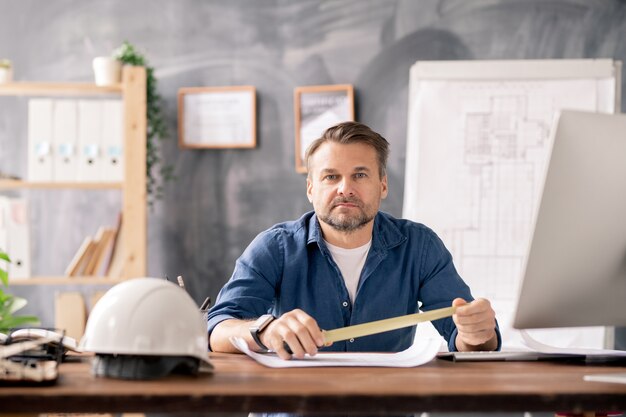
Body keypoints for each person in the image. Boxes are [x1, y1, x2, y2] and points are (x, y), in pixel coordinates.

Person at [207, 121, 500, 360]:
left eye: (359, 175)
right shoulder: (274, 248)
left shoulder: (419, 246)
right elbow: (217, 329)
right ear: (311, 188)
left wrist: (477, 334)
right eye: (331, 177)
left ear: (382, 185)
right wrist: (265, 330)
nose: (345, 188)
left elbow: (467, 341)